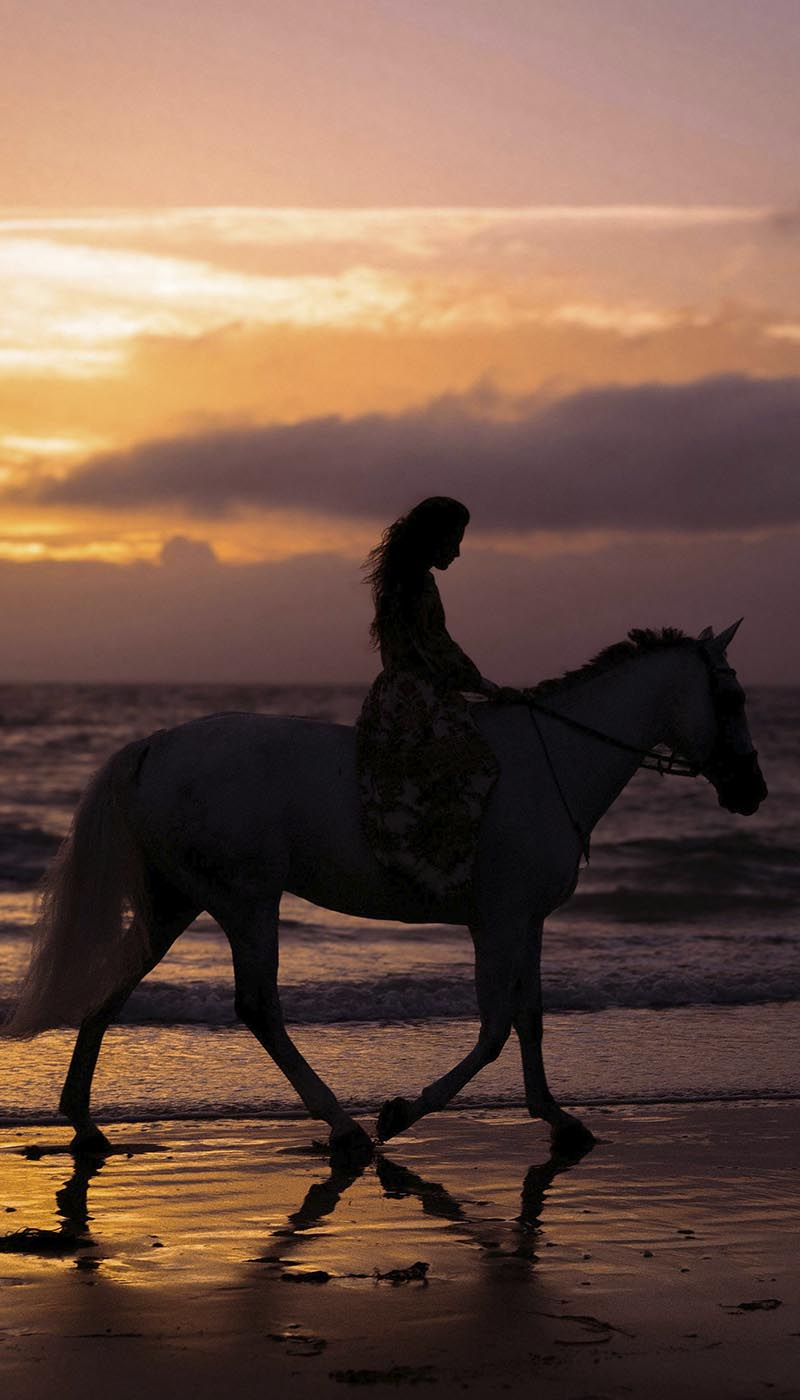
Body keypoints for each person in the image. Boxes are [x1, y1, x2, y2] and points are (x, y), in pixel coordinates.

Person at [356, 496, 505, 907]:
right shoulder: (415, 584)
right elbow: (435, 647)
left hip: (399, 691)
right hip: (414, 697)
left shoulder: (405, 579)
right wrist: (485, 686)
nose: (457, 552)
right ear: (433, 539)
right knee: (477, 767)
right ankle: (440, 871)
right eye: (453, 541)